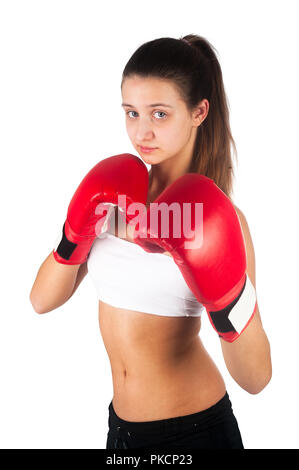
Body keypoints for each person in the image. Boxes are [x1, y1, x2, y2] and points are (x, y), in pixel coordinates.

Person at [29, 34, 272, 449]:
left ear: (199, 112)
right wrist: (75, 233)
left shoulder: (220, 220)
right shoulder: (109, 195)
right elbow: (41, 300)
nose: (142, 131)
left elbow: (256, 378)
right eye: (132, 112)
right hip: (120, 431)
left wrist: (225, 301)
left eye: (160, 114)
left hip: (194, 433)